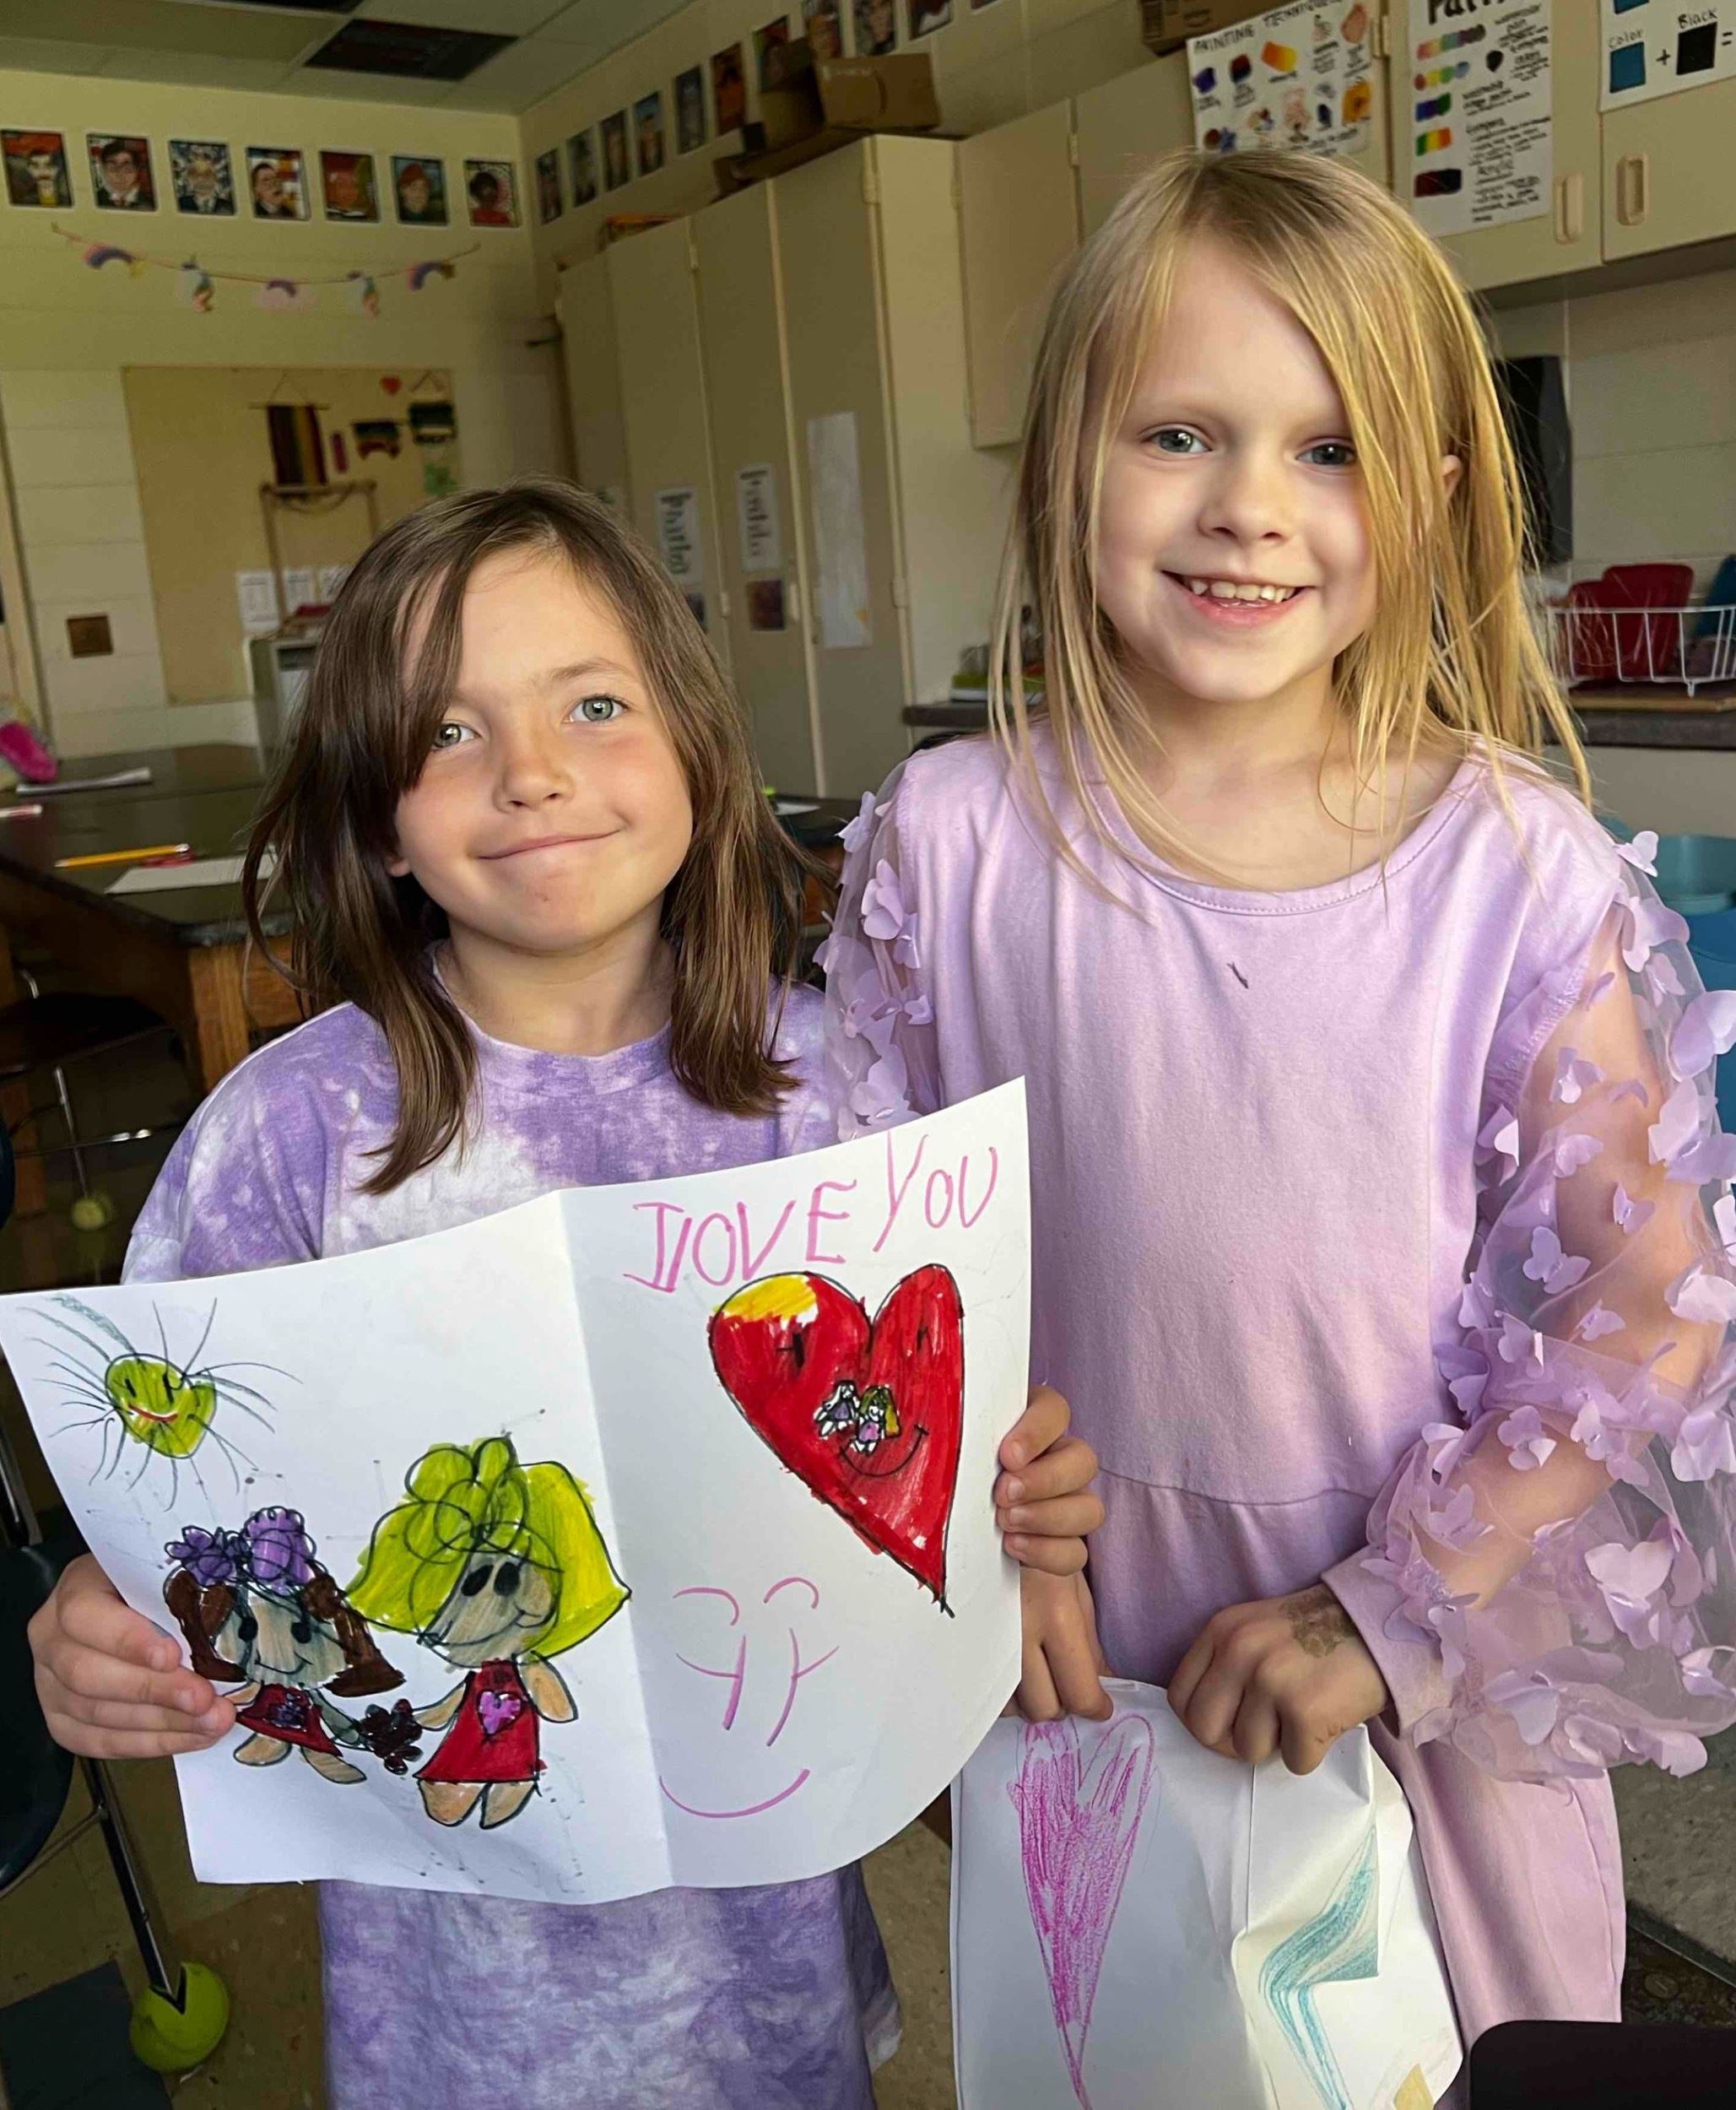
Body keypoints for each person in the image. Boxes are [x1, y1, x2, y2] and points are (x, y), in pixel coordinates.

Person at [29, 478, 1106, 2108]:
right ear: (375, 817)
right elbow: (169, 1509)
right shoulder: (288, 1138)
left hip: (767, 1939)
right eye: (447, 731)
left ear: (696, 750)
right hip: (453, 1965)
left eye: (593, 706)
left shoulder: (840, 1098)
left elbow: (928, 1439)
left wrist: (1019, 1502)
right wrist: (100, 1619)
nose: (531, 770)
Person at [825, 148, 1736, 2054]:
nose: (1249, 505)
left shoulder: (1514, 869)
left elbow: (1653, 1300)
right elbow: (866, 1274)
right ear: (1065, 460)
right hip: (1079, 1669)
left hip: (1418, 1700)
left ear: (1435, 498)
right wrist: (976, 1533)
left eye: (1331, 451)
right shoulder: (947, 843)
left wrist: (1391, 1607)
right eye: (1180, 432)